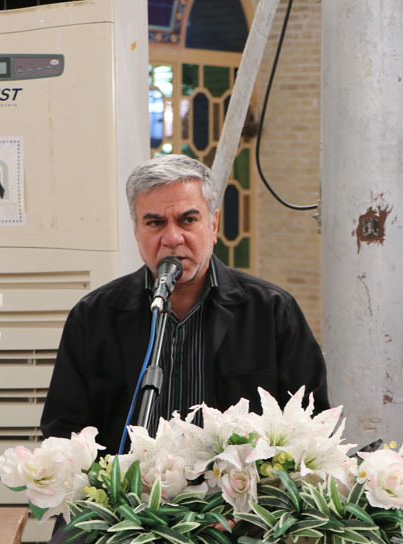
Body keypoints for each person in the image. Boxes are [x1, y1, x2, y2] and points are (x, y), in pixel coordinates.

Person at [40, 154, 329, 452]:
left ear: (213, 224)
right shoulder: (94, 317)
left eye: (188, 220)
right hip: (128, 482)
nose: (172, 238)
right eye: (155, 223)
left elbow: (311, 427)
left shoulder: (271, 312)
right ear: (136, 231)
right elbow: (63, 433)